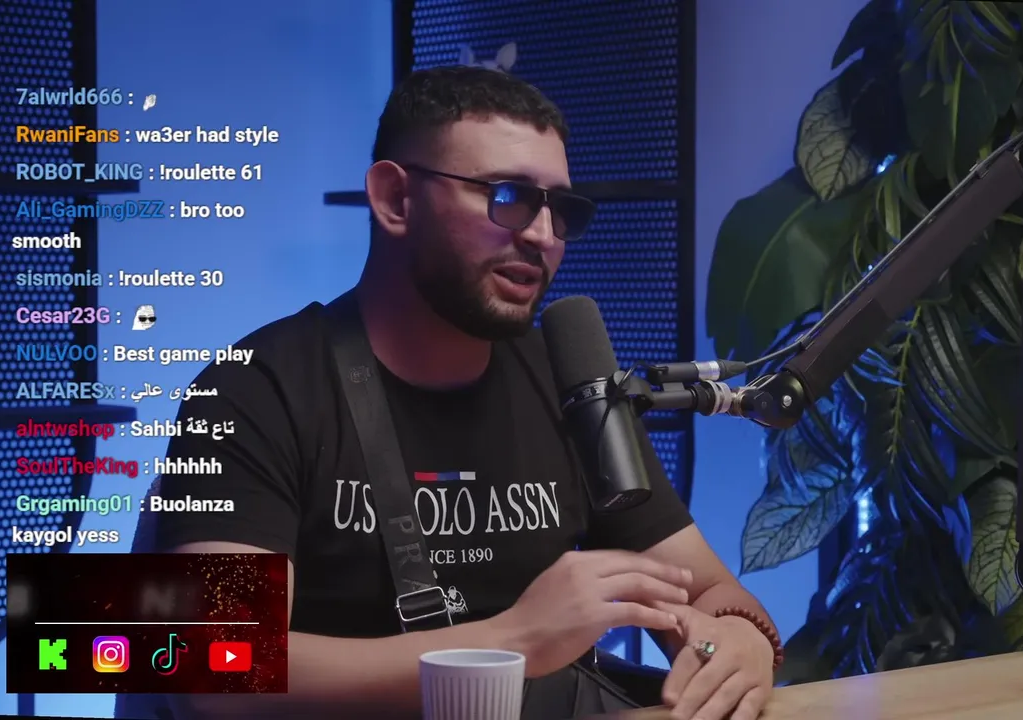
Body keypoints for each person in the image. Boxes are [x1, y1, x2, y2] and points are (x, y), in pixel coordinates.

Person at [148, 66, 779, 720]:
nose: (542, 235)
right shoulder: (255, 387)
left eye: (559, 209)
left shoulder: (567, 379)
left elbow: (709, 592)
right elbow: (214, 666)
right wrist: (514, 641)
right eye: (508, 196)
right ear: (396, 199)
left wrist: (738, 640)